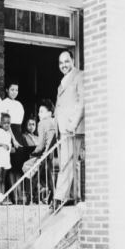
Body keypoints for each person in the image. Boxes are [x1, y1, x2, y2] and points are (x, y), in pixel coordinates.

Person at [54, 50, 84, 207]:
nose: (63, 65)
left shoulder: (79, 76)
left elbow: (82, 102)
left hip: (73, 128)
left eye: (66, 61)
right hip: (63, 129)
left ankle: (59, 197)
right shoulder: (63, 81)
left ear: (73, 60)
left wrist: (73, 124)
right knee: (69, 162)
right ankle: (72, 196)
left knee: (67, 162)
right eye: (61, 63)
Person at [2, 81, 26, 203]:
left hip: (18, 132)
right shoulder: (4, 103)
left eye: (16, 90)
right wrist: (13, 140)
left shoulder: (19, 104)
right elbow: (7, 124)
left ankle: (20, 193)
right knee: (11, 166)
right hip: (10, 134)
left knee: (18, 166)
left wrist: (19, 138)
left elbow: (19, 123)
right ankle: (14, 195)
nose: (14, 92)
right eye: (12, 89)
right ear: (7, 90)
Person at [0, 113, 13, 202]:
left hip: (5, 158)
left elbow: (9, 146)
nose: (7, 125)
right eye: (4, 123)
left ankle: (3, 195)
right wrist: (1, 144)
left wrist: (8, 146)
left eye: (8, 123)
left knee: (3, 178)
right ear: (1, 123)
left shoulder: (8, 134)